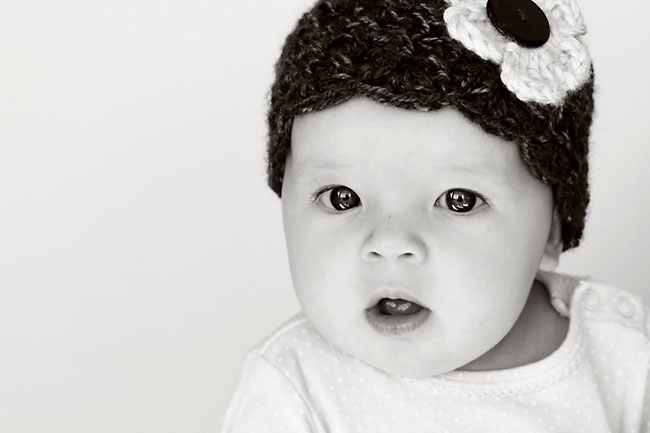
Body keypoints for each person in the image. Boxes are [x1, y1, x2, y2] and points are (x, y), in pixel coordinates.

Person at [221, 0, 650, 430]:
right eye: (341, 198)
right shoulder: (294, 389)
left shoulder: (625, 358)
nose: (389, 243)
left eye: (458, 200)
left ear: (552, 229)